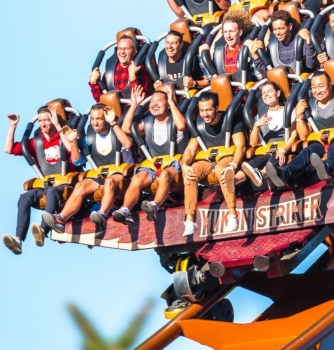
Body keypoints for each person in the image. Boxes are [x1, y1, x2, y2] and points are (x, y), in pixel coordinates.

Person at [2, 105, 85, 254]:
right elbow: (9, 149)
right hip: (46, 183)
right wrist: (13, 127)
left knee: (52, 191)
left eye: (46, 120)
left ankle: (42, 230)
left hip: (65, 184)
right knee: (24, 198)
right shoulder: (36, 142)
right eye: (40, 121)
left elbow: (74, 156)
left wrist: (59, 127)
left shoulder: (64, 136)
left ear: (53, 121)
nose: (43, 124)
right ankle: (18, 240)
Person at [40, 105, 133, 233]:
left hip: (122, 174)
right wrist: (73, 142)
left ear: (106, 118)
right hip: (100, 175)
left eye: (99, 119)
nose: (95, 122)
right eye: (92, 119)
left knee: (109, 181)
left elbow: (128, 144)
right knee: (80, 186)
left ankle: (101, 214)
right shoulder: (89, 137)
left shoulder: (115, 130)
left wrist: (113, 123)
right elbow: (78, 160)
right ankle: (60, 219)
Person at [264, 71, 334, 187]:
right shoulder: (310, 105)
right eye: (313, 88)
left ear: (329, 85)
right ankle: (284, 173)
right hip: (320, 142)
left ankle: (326, 166)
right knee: (308, 151)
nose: (317, 91)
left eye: (321, 86)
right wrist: (299, 116)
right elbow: (304, 135)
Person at [111, 84, 187, 225]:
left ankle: (154, 206)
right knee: (138, 178)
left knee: (164, 175)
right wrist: (134, 104)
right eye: (151, 101)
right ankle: (125, 210)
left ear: (168, 104)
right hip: (156, 164)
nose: (154, 104)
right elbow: (127, 128)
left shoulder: (175, 118)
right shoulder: (148, 122)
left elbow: (182, 126)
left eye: (159, 101)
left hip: (174, 165)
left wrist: (171, 102)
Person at [181, 92, 247, 236]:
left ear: (216, 108)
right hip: (207, 160)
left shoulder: (232, 120)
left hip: (226, 158)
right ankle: (190, 220)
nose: (205, 114)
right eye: (202, 111)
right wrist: (184, 165)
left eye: (209, 110)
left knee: (221, 169)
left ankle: (232, 214)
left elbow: (240, 146)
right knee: (190, 172)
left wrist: (234, 164)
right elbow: (190, 151)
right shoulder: (198, 124)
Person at [243, 81, 298, 187]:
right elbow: (253, 143)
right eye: (263, 93)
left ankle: (261, 174)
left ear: (277, 93)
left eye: (269, 91)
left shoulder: (290, 111)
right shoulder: (259, 116)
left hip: (284, 149)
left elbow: (294, 135)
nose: (266, 94)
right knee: (253, 163)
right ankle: (234, 180)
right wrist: (256, 126)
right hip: (268, 151)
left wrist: (283, 150)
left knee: (274, 159)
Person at [89, 32, 151, 102]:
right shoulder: (110, 71)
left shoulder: (140, 69)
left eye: (126, 49)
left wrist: (132, 76)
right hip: (113, 110)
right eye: (120, 49)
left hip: (133, 108)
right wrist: (94, 83)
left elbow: (141, 99)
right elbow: (100, 100)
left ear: (134, 52)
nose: (122, 52)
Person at [252, 9, 318, 75]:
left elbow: (311, 65)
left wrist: (308, 42)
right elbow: (267, 73)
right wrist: (255, 57)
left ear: (290, 26)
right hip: (280, 80)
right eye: (275, 29)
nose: (277, 33)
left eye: (281, 28)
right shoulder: (272, 44)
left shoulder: (300, 40)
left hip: (300, 79)